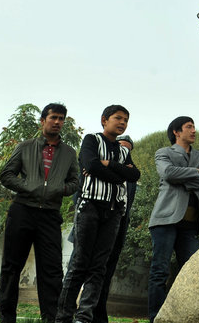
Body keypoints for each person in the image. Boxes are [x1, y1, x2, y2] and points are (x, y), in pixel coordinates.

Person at [56, 106, 140, 323]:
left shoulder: (124, 151)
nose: (122, 122)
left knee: (99, 267)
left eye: (126, 120)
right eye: (117, 118)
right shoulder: (91, 140)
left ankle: (84, 317)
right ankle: (63, 316)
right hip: (90, 207)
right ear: (104, 120)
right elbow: (90, 164)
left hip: (114, 212)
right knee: (80, 264)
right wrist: (117, 173)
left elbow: (134, 174)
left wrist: (108, 165)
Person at [0, 103, 80, 323]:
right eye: (53, 117)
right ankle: (7, 318)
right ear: (42, 121)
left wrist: (60, 189)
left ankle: (51, 319)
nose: (57, 122)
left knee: (52, 272)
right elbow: (6, 175)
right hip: (22, 211)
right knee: (11, 267)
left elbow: (75, 181)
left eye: (61, 119)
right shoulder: (25, 146)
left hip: (50, 215)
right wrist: (30, 186)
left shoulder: (69, 153)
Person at [148, 117, 199, 323]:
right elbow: (167, 173)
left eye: (194, 127)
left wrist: (183, 179)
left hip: (190, 226)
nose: (194, 130)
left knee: (192, 273)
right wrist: (195, 173)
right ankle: (155, 318)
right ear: (177, 132)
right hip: (165, 220)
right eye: (189, 127)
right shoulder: (164, 153)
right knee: (160, 272)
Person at [91, 133, 137, 323]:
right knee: (85, 270)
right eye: (121, 147)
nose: (124, 151)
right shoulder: (96, 166)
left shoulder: (131, 176)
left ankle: (98, 314)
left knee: (106, 273)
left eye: (128, 149)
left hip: (118, 228)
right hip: (93, 225)